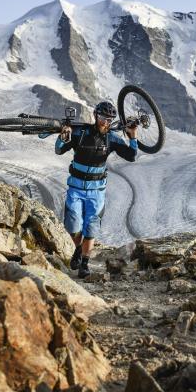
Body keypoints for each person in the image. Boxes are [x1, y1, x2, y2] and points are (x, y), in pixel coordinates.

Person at [55, 100, 138, 278]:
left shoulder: (112, 139)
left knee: (91, 227)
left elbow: (131, 156)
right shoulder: (80, 133)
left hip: (97, 191)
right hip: (75, 188)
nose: (105, 122)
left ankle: (85, 263)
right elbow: (59, 150)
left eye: (109, 119)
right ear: (95, 115)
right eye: (102, 117)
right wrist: (62, 136)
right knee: (73, 225)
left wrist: (132, 137)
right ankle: (78, 249)